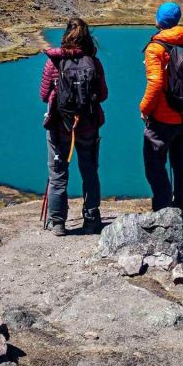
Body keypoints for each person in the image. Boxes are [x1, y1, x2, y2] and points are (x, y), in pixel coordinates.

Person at [39, 18, 108, 236]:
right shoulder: (94, 63)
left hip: (60, 127)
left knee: (58, 174)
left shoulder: (54, 62)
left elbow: (43, 95)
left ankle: (58, 222)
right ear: (87, 38)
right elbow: (103, 95)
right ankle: (91, 219)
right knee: (89, 172)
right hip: (88, 127)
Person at [139, 2, 183, 212]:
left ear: (159, 20)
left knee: (155, 167)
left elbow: (156, 83)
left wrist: (144, 108)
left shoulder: (155, 48)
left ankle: (163, 210)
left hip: (161, 120)